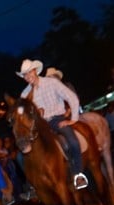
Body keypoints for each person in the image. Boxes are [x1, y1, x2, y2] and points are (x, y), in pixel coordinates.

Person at [16, 58, 89, 190]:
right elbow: (23, 114)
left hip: (57, 119)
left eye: (29, 73)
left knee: (72, 141)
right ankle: (33, 185)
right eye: (24, 75)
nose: (27, 77)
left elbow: (71, 97)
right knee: (20, 155)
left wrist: (73, 119)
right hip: (38, 126)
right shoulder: (24, 94)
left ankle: (78, 174)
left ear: (35, 71)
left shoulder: (52, 83)